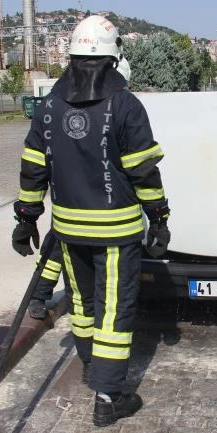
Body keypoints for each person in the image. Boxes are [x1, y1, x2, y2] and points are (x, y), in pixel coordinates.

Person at [11, 15, 170, 427]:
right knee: (115, 311)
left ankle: (89, 369)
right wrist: (159, 217)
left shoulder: (48, 106)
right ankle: (107, 396)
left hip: (68, 231)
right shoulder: (126, 105)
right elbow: (143, 172)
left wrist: (27, 219)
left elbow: (33, 168)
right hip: (115, 232)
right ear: (113, 57)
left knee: (82, 304)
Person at [22, 56, 133, 322]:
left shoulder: (105, 105)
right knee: (55, 248)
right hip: (73, 200)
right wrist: (26, 216)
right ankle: (38, 295)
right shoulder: (74, 105)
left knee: (61, 249)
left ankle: (43, 295)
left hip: (85, 200)